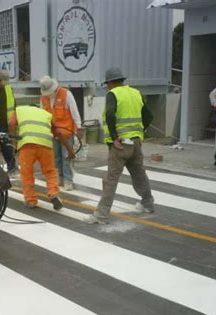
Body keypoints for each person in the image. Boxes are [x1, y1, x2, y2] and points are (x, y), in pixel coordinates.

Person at [85, 68, 154, 225]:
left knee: (111, 179)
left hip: (121, 144)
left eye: (107, 84)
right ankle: (147, 203)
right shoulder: (135, 93)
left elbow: (110, 114)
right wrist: (138, 133)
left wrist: (115, 138)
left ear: (110, 82)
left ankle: (101, 215)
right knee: (139, 174)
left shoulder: (113, 94)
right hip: (135, 143)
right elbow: (149, 116)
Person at [9, 105, 63, 210]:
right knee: (50, 171)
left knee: (27, 173)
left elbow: (11, 123)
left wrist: (13, 143)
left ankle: (31, 200)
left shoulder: (19, 110)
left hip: (27, 144)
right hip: (46, 144)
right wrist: (70, 150)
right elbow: (57, 132)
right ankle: (53, 192)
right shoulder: (46, 113)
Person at [40, 76, 82, 191]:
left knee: (67, 157)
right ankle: (59, 177)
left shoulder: (66, 94)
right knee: (56, 157)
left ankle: (68, 180)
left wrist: (79, 128)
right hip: (53, 133)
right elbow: (42, 115)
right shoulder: (43, 98)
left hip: (66, 133)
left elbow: (75, 112)